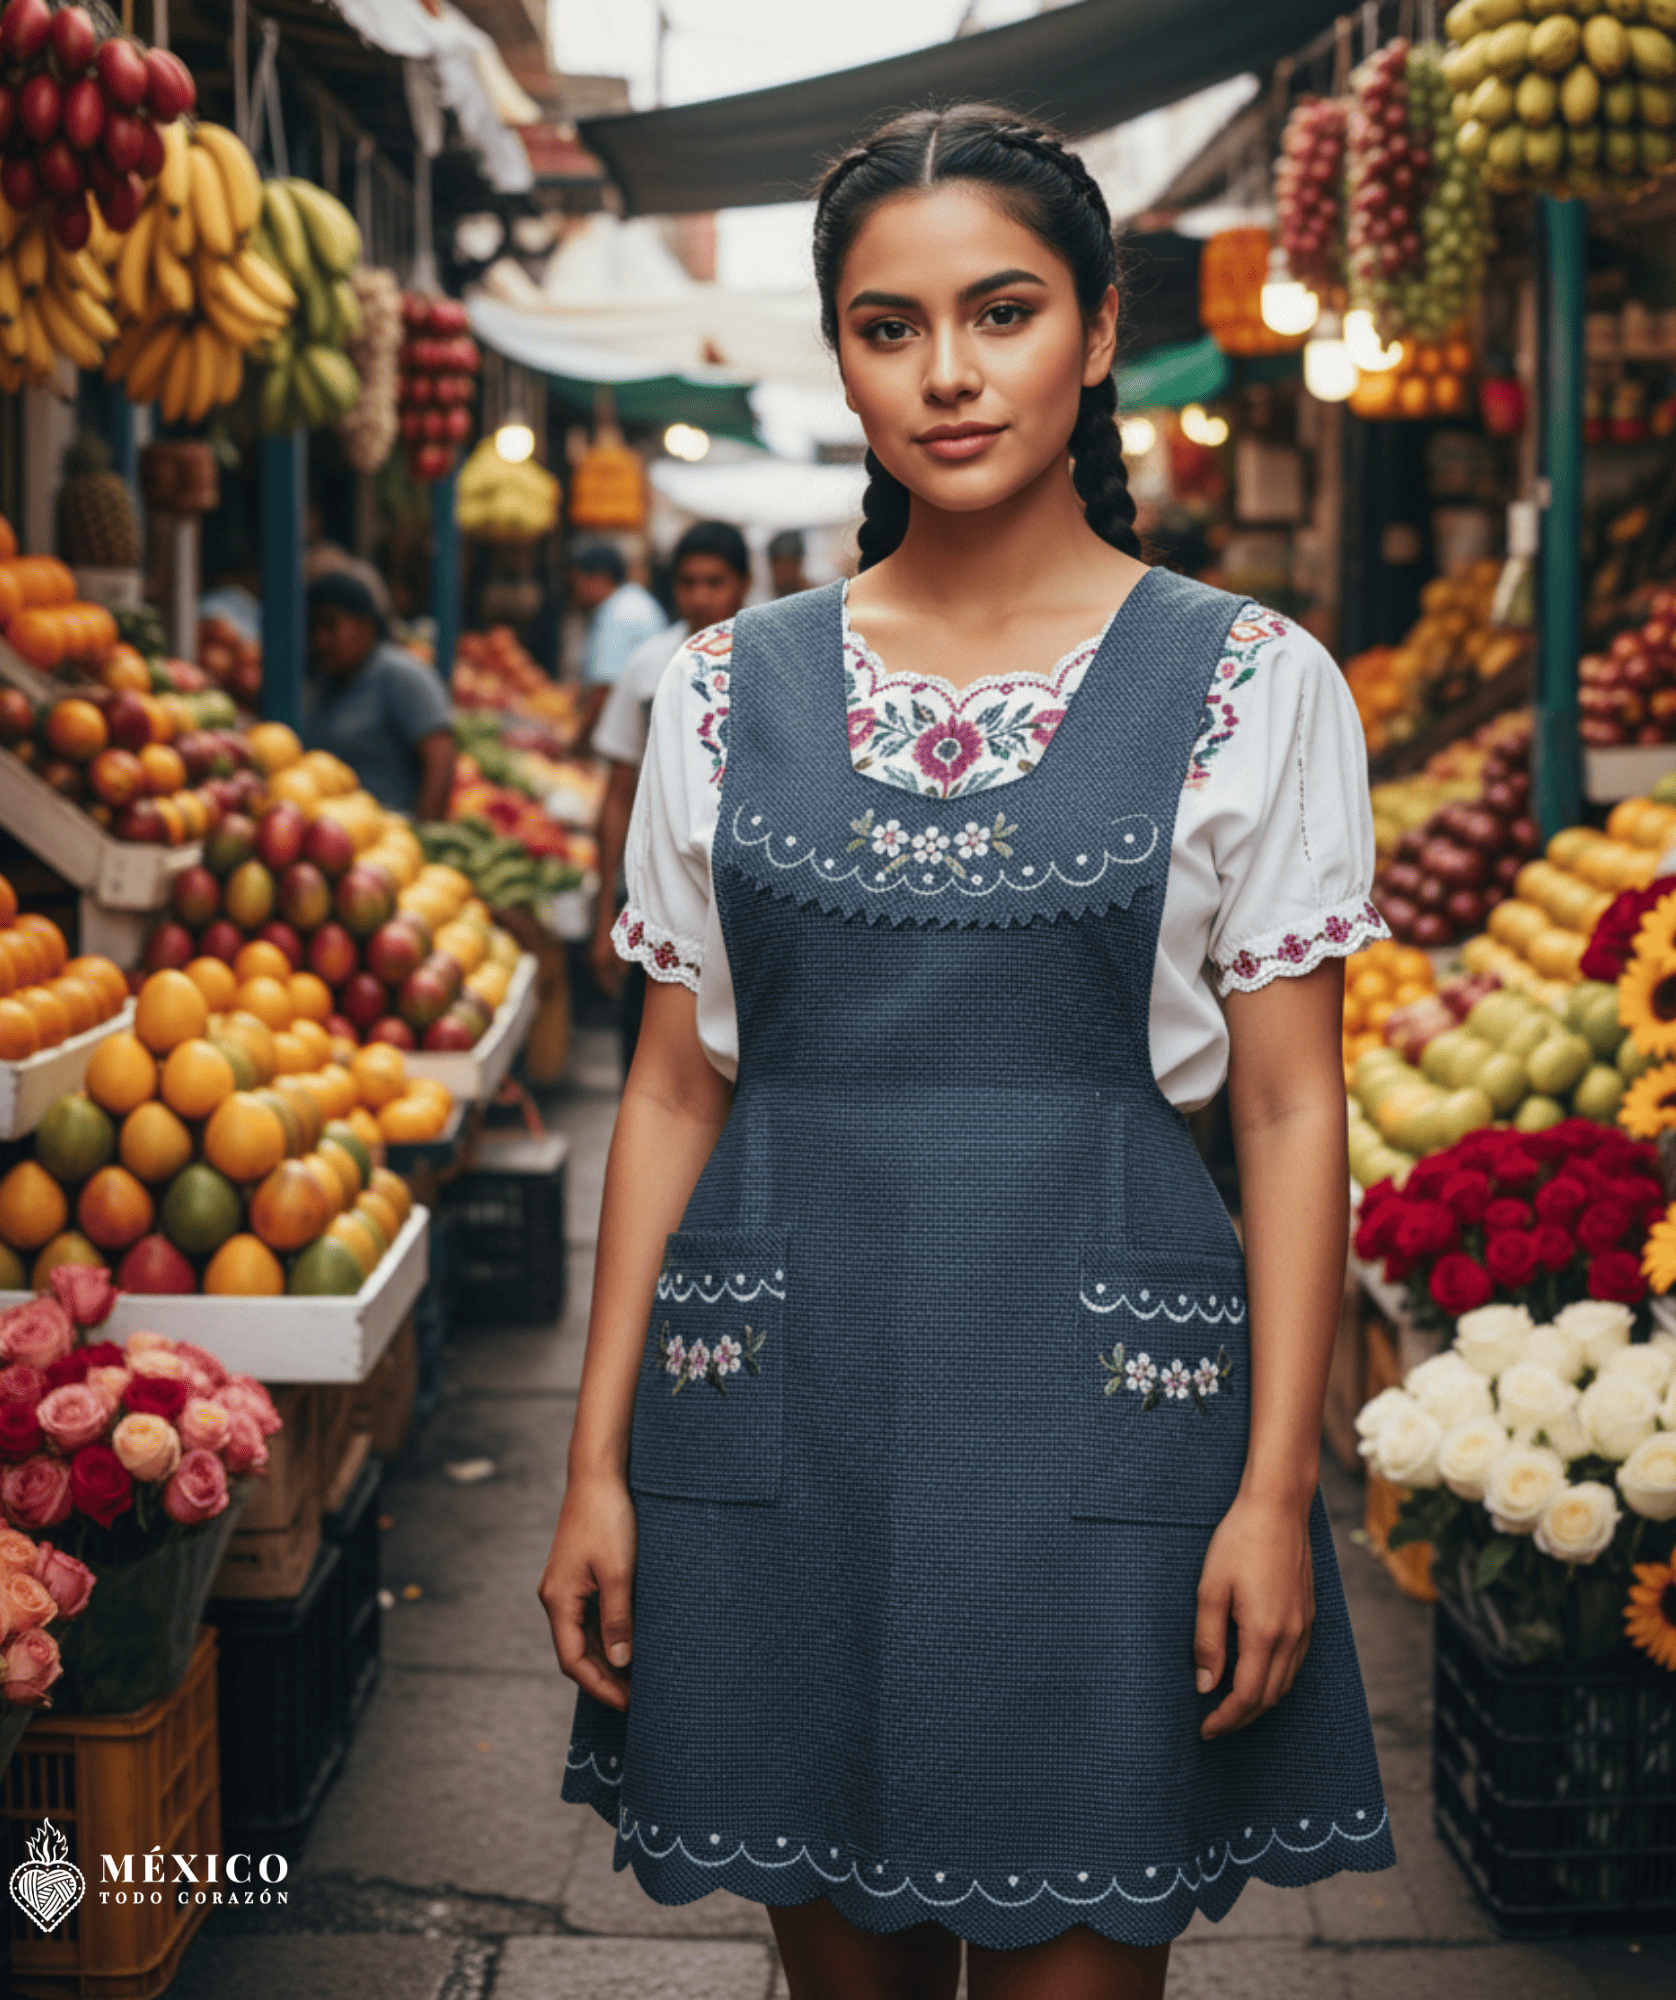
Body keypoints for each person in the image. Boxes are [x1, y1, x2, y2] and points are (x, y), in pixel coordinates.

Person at [542, 103, 1392, 1998]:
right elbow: (676, 1089)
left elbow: (1286, 1103)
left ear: (1097, 332)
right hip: (780, 1412)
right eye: (888, 325)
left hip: (1108, 1427)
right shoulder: (715, 690)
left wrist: (1272, 1492)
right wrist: (595, 1465)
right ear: (839, 351)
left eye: (1001, 312)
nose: (946, 374)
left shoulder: (1253, 686)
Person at [588, 521, 752, 1023]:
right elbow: (618, 794)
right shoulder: (648, 666)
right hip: (658, 905)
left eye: (714, 582)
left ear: (742, 584)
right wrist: (603, 922)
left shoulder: (769, 662)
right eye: (688, 583)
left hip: (744, 905)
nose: (700, 597)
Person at [302, 569, 455, 821]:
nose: (320, 639)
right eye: (314, 627)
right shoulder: (325, 682)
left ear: (366, 627)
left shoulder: (401, 676)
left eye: (331, 625)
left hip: (391, 838)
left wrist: (426, 829)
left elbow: (440, 754)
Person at [571, 540, 668, 752]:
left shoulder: (618, 613)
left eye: (577, 582)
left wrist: (578, 745)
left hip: (637, 729)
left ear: (599, 579)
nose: (576, 591)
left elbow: (604, 686)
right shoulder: (634, 601)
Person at [767, 526, 809, 596]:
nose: (784, 575)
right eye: (779, 568)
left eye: (788, 567)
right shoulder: (764, 599)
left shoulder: (814, 596)